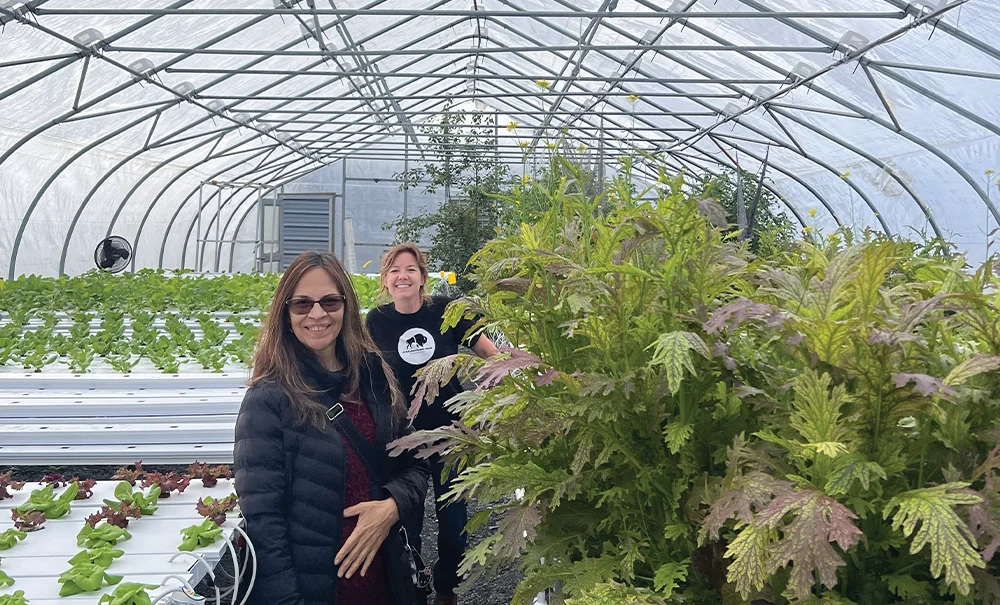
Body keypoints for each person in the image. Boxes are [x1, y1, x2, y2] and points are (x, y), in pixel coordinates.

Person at [234, 250, 430, 605]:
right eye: (302, 304)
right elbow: (264, 523)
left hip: (386, 584)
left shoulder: (373, 376)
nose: (317, 314)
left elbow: (415, 462)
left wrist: (392, 507)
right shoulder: (269, 399)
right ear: (285, 312)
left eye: (330, 301)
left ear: (346, 306)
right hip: (317, 593)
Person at [365, 243, 498, 605]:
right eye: (394, 270)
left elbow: (489, 353)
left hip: (450, 432)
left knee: (453, 523)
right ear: (386, 280)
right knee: (407, 522)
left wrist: (510, 386)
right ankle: (412, 588)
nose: (402, 276)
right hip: (402, 437)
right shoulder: (376, 321)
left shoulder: (445, 311)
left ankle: (446, 590)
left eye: (410, 269)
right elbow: (363, 374)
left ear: (423, 277)